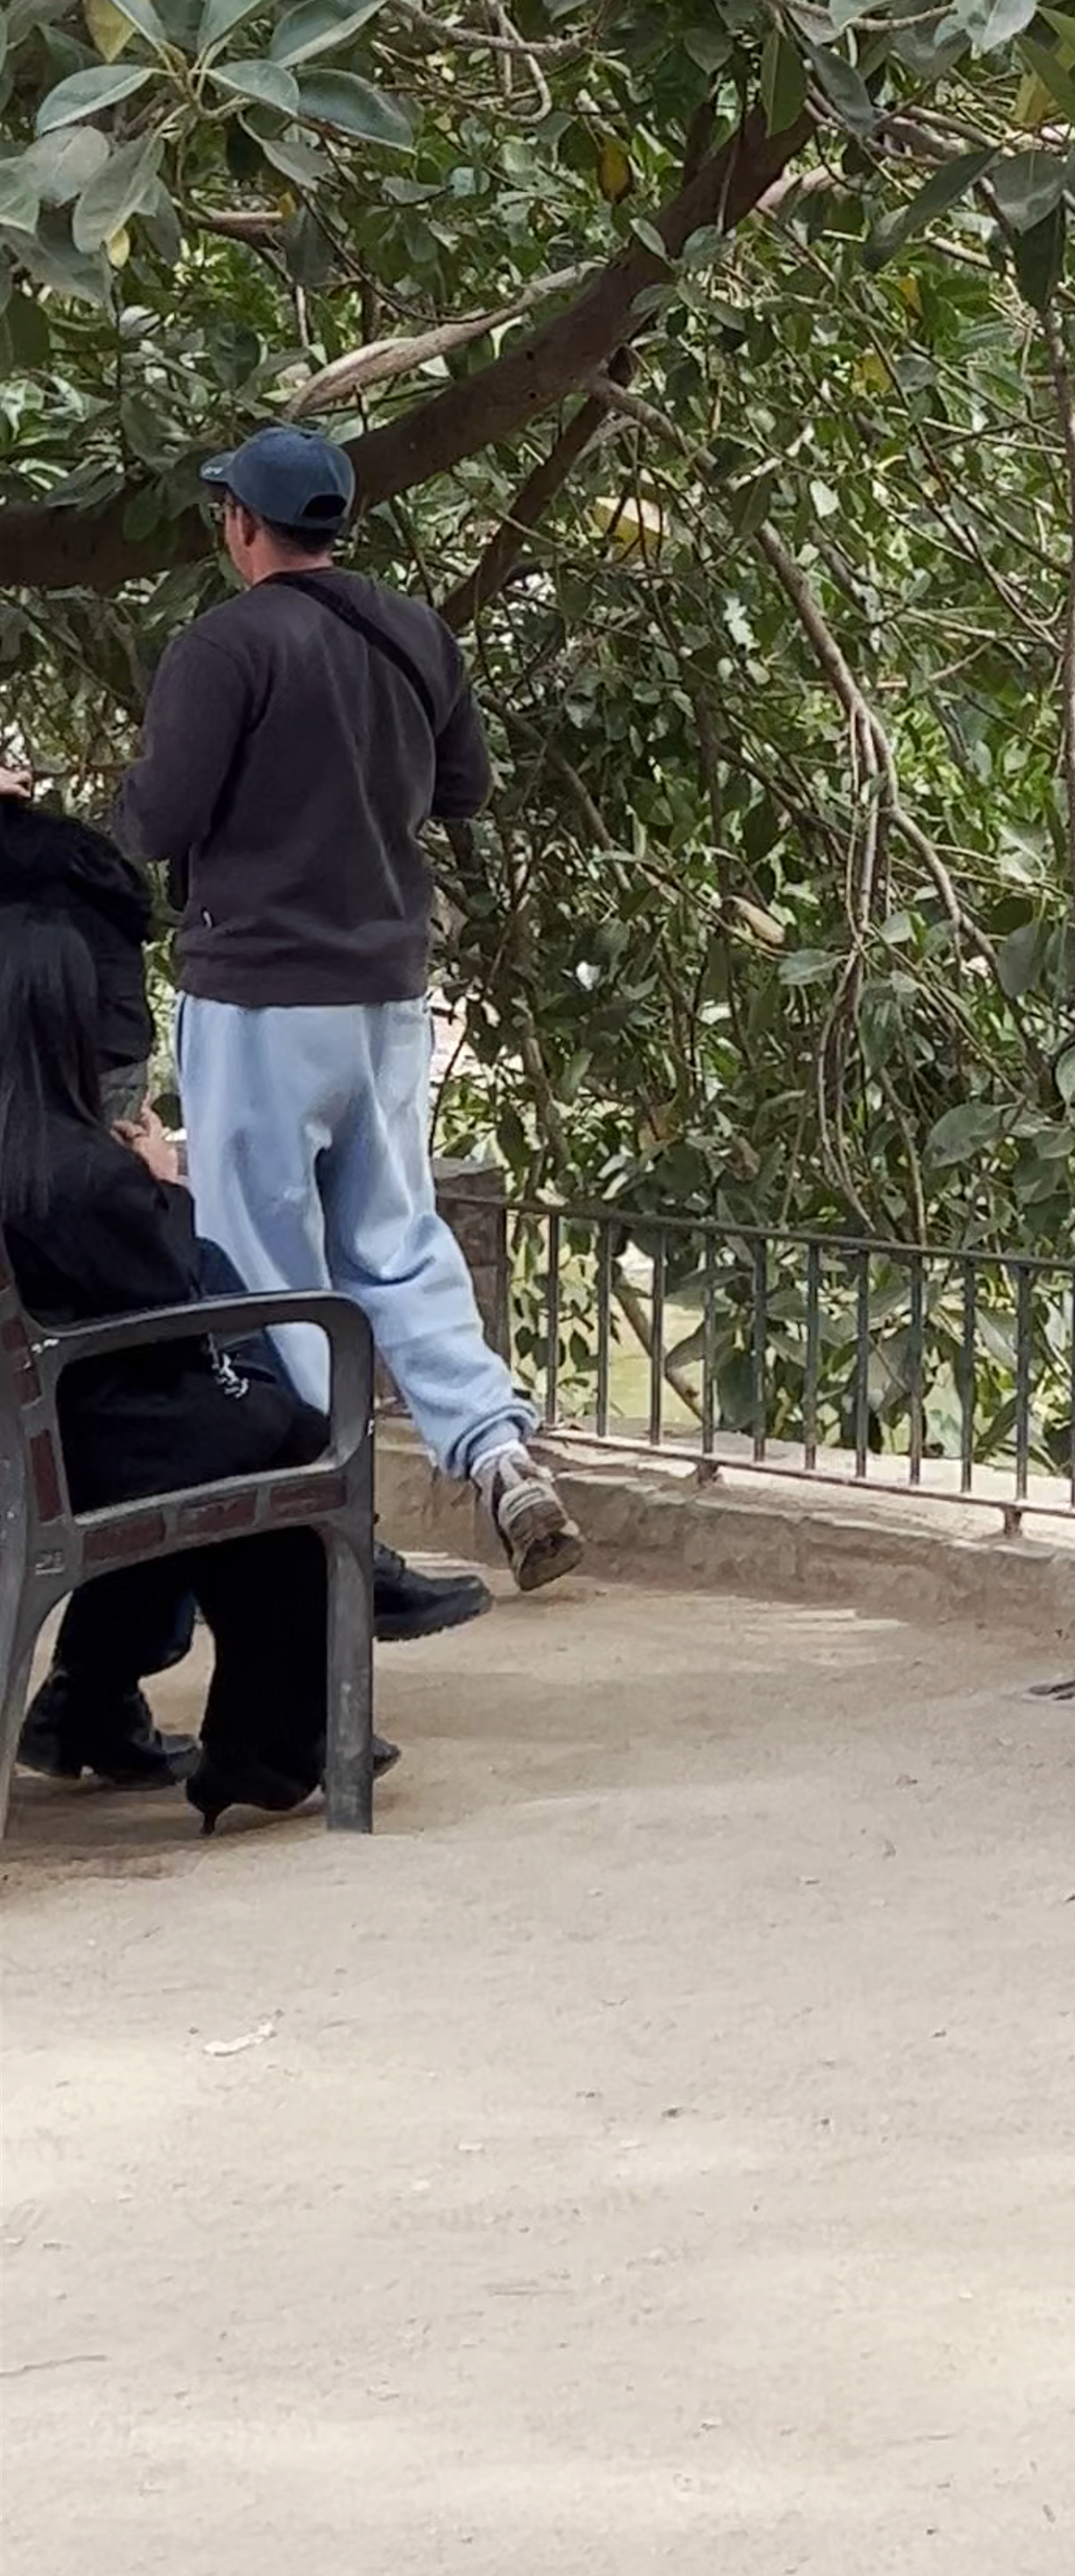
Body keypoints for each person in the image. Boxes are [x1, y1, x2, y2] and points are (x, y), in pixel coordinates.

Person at [111, 422, 580, 1593]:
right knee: (400, 1237)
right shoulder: (415, 629)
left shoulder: (225, 644)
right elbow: (462, 785)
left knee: (267, 1266)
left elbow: (157, 819)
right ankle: (500, 1452)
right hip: (385, 994)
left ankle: (328, 1523)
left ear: (240, 523)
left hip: (262, 997)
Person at [0, 925, 378, 1827]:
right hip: (73, 1441)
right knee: (292, 1444)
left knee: (243, 1430)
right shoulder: (78, 1171)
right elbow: (168, 1293)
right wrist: (166, 1183)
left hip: (44, 1432)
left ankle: (100, 1705)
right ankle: (271, 1747)